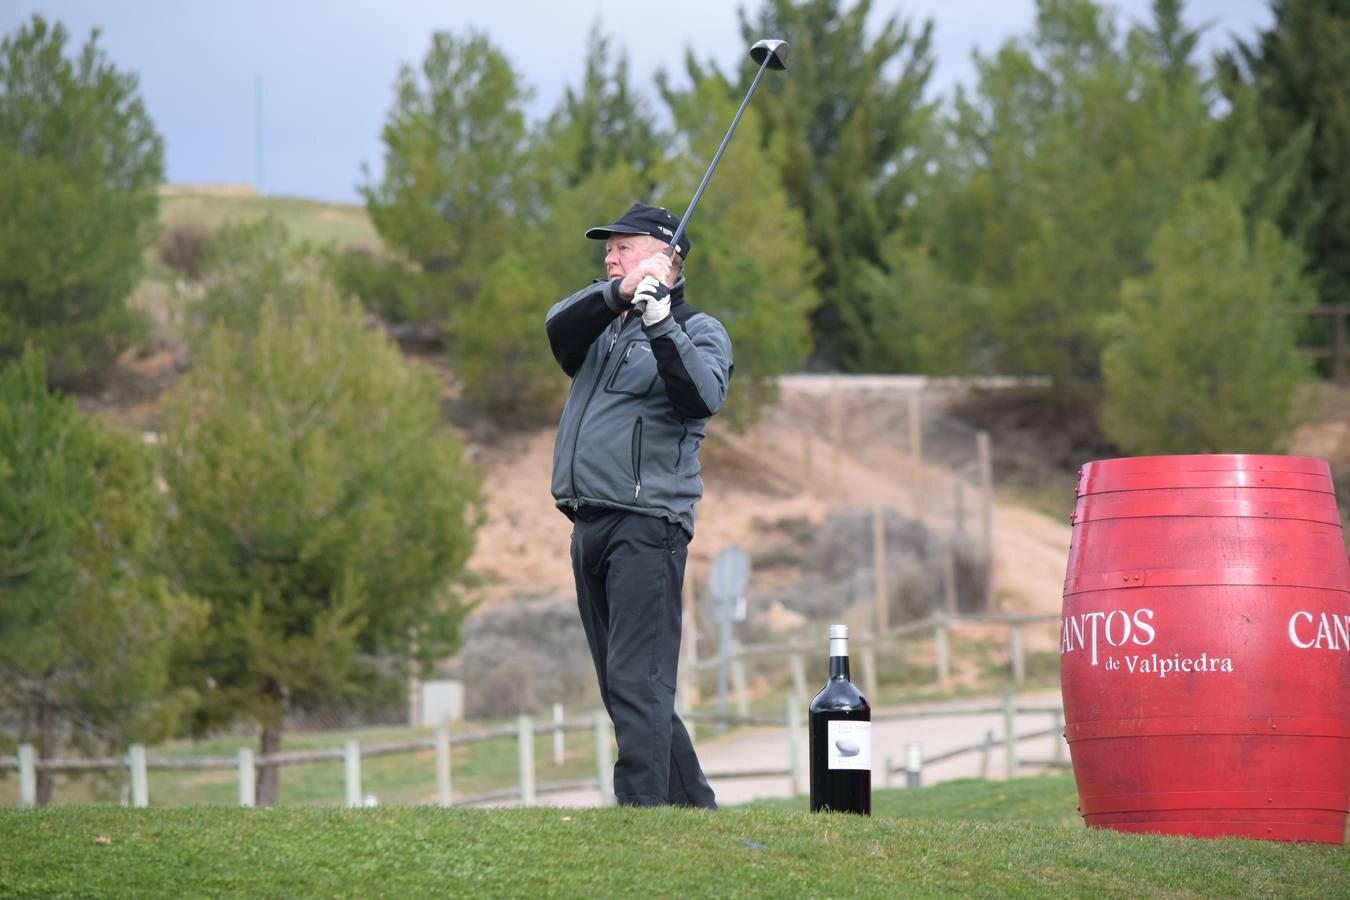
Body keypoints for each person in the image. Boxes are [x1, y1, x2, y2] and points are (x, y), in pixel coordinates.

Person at [545, 202, 732, 808]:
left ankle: (642, 816)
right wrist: (618, 295)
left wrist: (661, 322)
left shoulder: (701, 330)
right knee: (623, 687)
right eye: (609, 250)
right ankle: (692, 810)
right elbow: (556, 327)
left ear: (663, 255)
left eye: (621, 247)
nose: (608, 257)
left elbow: (699, 396)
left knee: (638, 682)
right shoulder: (604, 327)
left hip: (648, 525)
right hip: (590, 523)